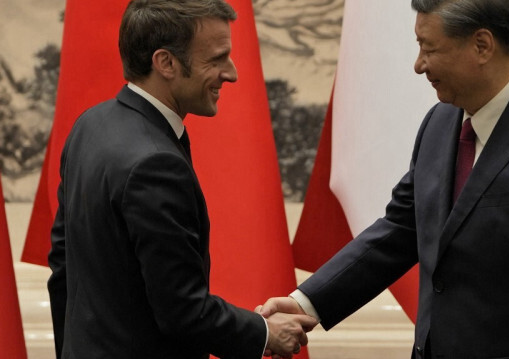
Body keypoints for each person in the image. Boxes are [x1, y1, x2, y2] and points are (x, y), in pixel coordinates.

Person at [258, 0, 509, 358]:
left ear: (481, 45)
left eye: (428, 48)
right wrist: (305, 303)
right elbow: (401, 230)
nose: (418, 65)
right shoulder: (440, 122)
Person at [47, 1, 316, 358]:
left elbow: (62, 271)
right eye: (217, 59)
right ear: (166, 63)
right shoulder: (155, 164)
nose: (232, 73)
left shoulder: (89, 126)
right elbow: (182, 311)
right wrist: (265, 332)